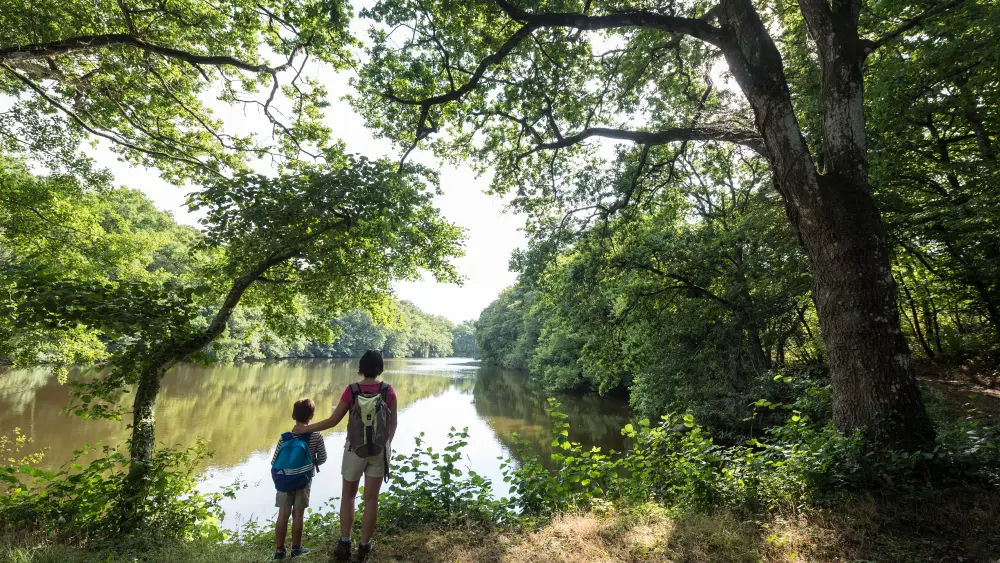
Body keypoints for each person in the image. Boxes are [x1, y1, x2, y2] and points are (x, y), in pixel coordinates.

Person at [294, 350, 397, 562]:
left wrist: (305, 429)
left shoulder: (352, 390)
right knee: (371, 500)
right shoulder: (388, 390)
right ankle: (364, 546)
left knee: (348, 496)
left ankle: (344, 543)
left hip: (354, 450)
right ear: (380, 368)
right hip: (379, 450)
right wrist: (385, 447)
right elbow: (392, 425)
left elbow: (333, 421)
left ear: (361, 368)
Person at [271, 398, 327, 560]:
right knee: (298, 514)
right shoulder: (316, 435)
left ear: (293, 416)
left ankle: (279, 551)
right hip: (304, 479)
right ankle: (296, 549)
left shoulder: (285, 438)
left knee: (283, 514)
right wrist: (311, 463)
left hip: (284, 480)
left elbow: (275, 461)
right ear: (312, 416)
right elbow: (323, 458)